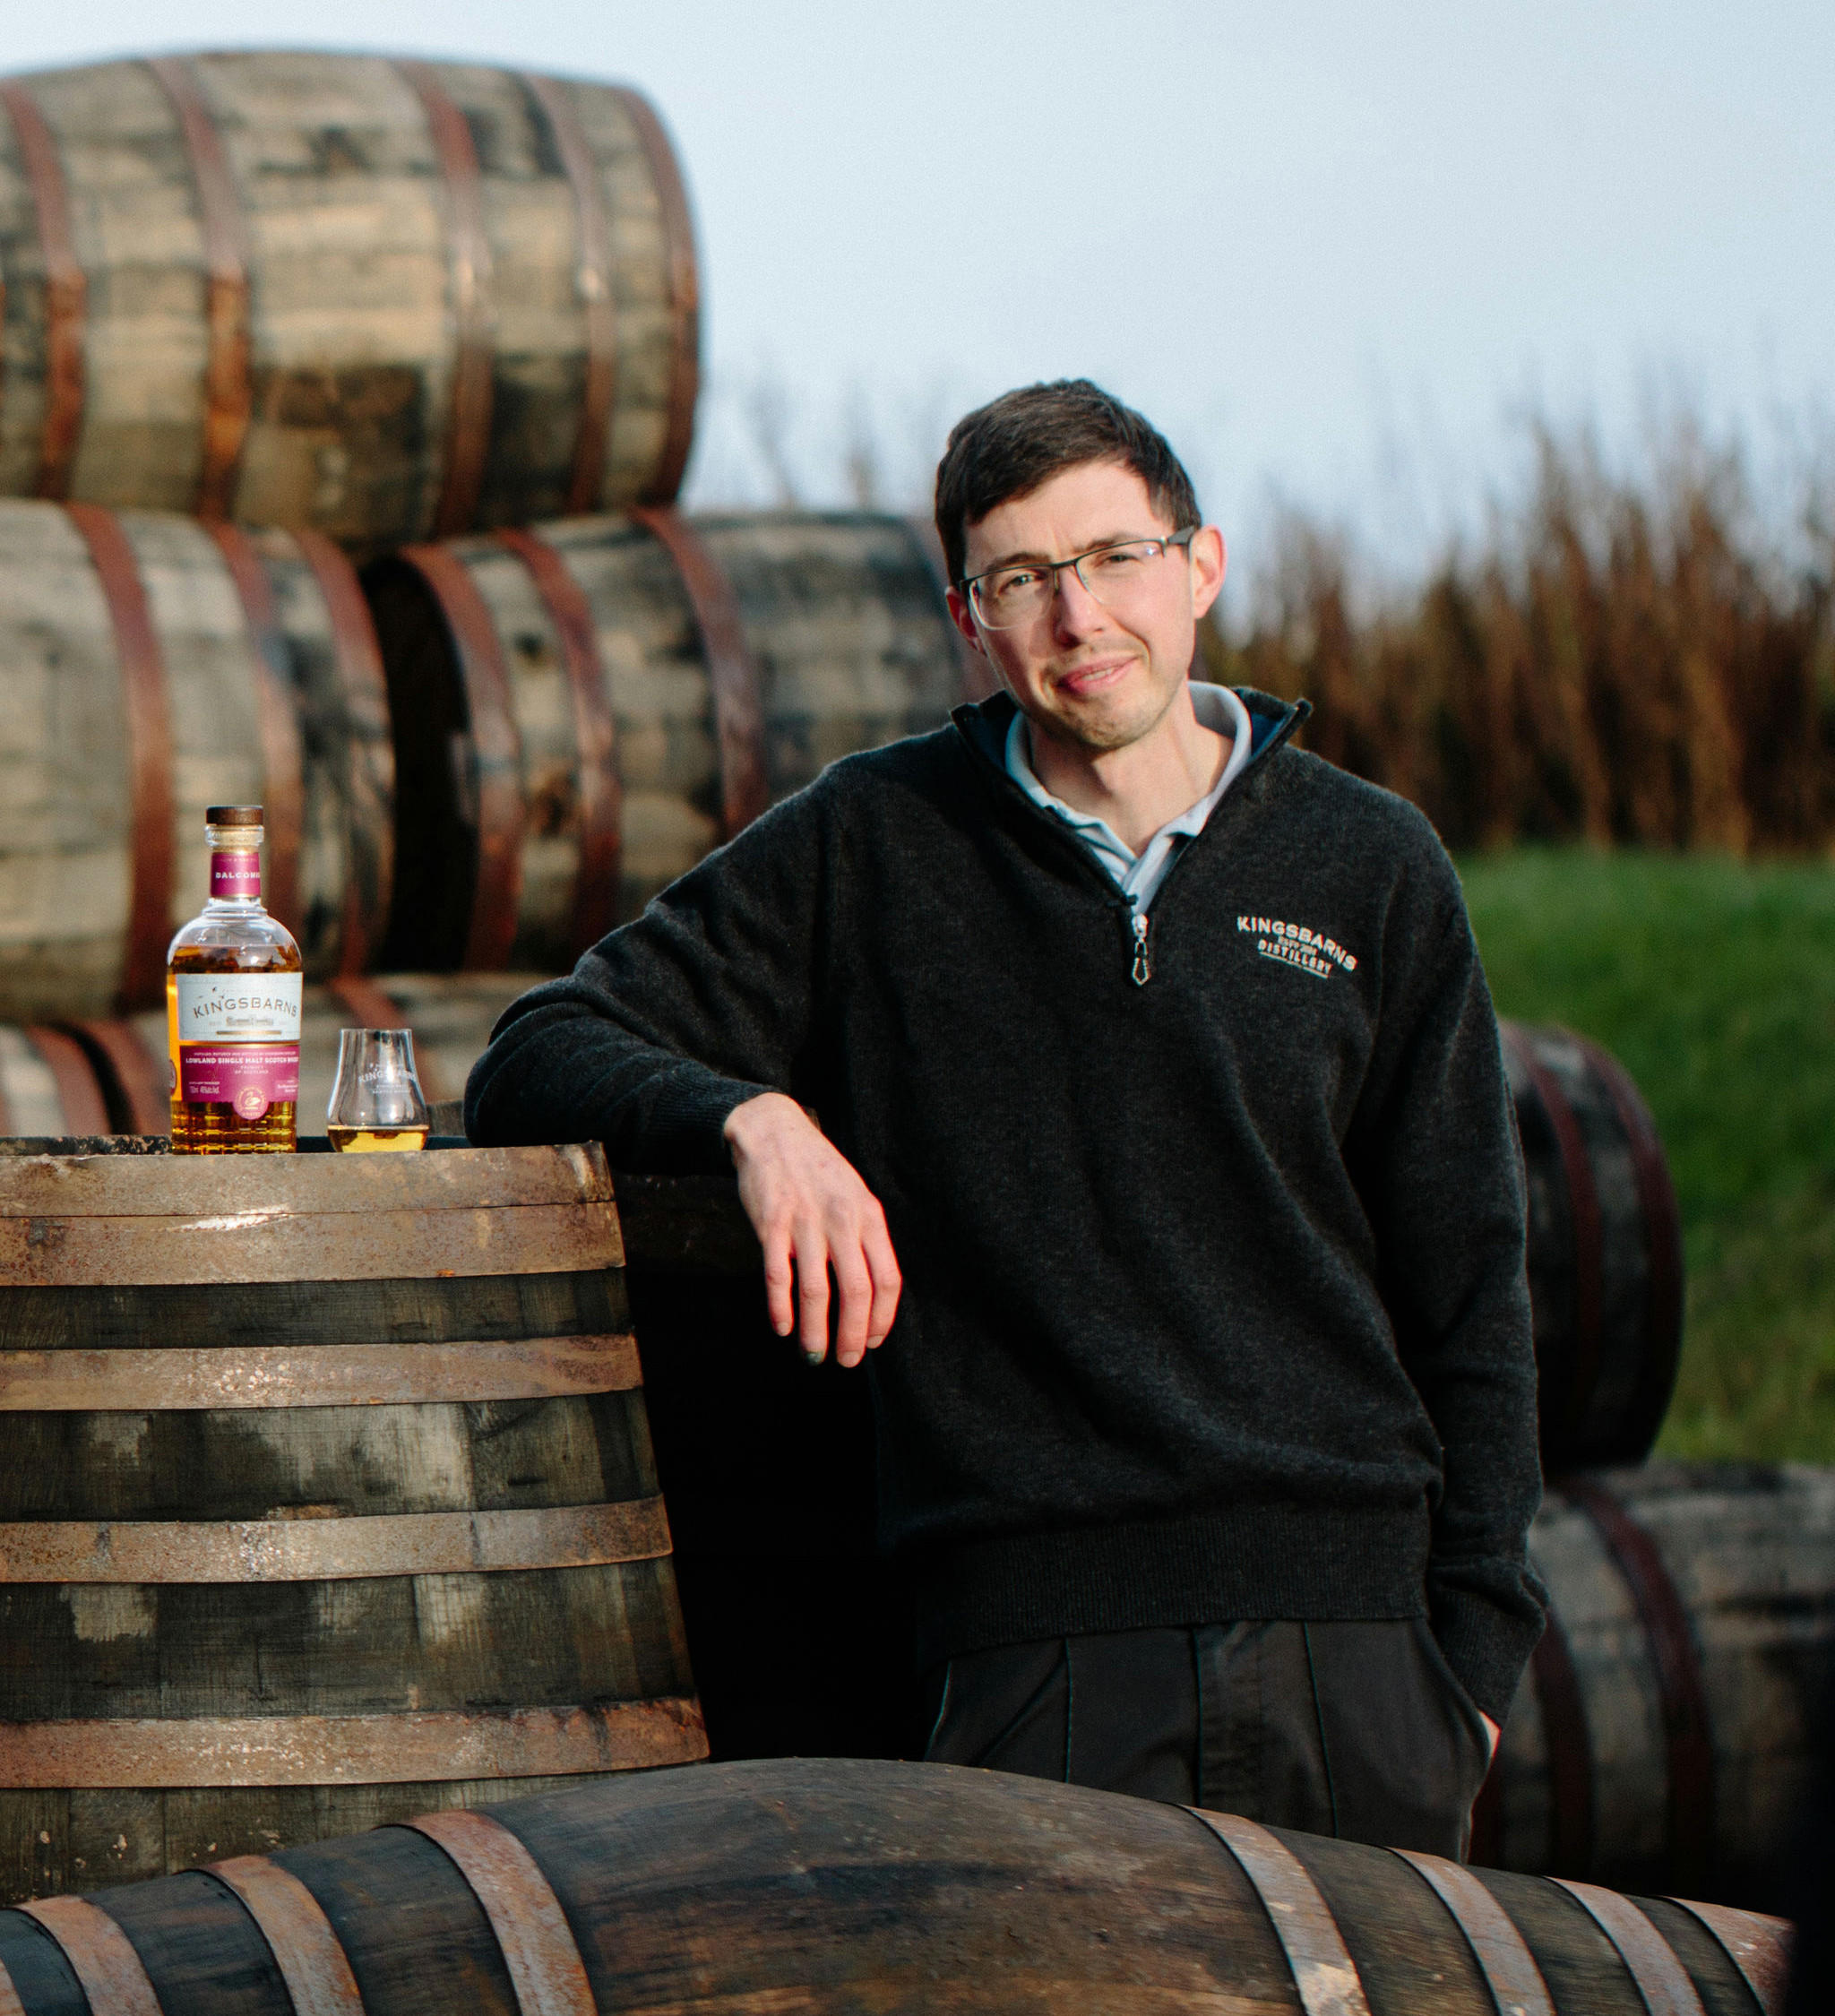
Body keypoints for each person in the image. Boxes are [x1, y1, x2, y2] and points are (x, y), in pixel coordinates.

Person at [466, 377, 1545, 1856]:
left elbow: (1474, 1287)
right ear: (970, 618)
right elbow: (537, 1048)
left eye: (1113, 559)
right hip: (1031, 1660)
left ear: (1200, 565)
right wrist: (752, 1118)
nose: (1078, 617)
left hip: (1349, 1653)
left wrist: (1467, 1671)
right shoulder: (875, 842)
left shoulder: (1372, 863)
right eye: (1022, 579)